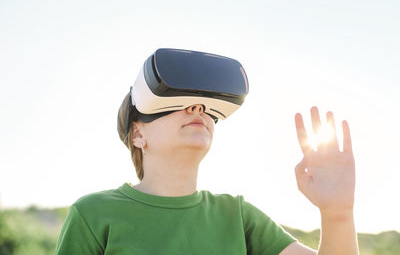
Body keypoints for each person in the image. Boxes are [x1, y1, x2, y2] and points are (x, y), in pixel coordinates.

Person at [55, 49, 359, 254]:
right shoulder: (93, 214)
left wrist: (338, 214)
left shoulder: (238, 217)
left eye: (204, 105)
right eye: (179, 101)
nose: (197, 107)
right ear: (138, 133)